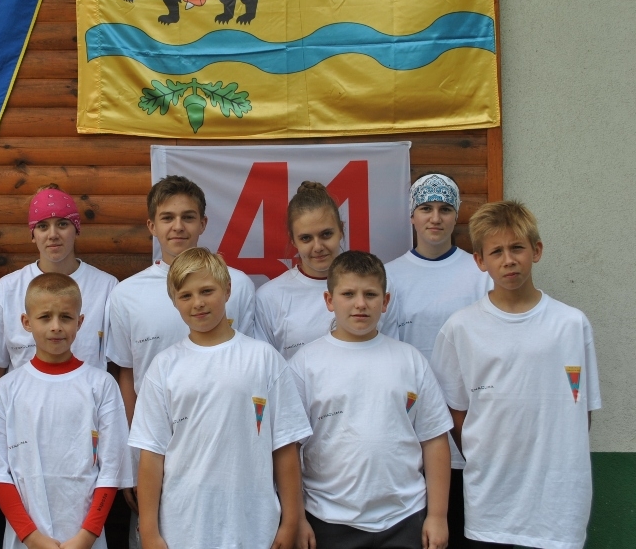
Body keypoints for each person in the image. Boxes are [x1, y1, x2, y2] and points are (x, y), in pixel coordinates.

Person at [430, 201, 601, 549]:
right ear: (480, 260)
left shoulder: (571, 324)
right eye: (496, 251)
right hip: (491, 505)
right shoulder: (460, 328)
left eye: (517, 248)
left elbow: (581, 411)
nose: (508, 260)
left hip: (559, 508)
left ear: (536, 251)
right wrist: (486, 455)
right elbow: (455, 413)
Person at [106, 175, 256, 544]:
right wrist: (134, 460)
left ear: (203, 223)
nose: (178, 226)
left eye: (188, 217)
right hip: (157, 454)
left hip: (228, 452)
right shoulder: (126, 295)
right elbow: (127, 377)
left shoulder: (238, 286)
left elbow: (253, 375)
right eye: (167, 217)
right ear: (151, 226)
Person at [129, 247, 311, 549]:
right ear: (174, 301)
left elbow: (285, 446)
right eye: (186, 295)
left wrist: (291, 520)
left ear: (227, 290)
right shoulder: (163, 367)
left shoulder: (264, 359)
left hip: (254, 528)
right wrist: (149, 531)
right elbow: (151, 455)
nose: (198, 303)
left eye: (207, 291)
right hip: (184, 530)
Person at [290, 250, 452, 549]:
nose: (360, 304)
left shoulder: (410, 360)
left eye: (370, 294)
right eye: (348, 294)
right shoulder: (305, 364)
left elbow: (435, 440)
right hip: (328, 519)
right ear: (329, 300)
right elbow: (290, 448)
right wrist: (297, 519)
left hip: (404, 518)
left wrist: (438, 516)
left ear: (385, 301)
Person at [0, 273, 131, 549]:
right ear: (26, 322)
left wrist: (87, 535)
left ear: (80, 322)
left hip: (86, 540)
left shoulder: (101, 385)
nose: (56, 327)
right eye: (45, 317)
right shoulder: (6, 389)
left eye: (65, 317)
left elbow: (112, 469)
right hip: (24, 540)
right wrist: (31, 536)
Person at [385, 174, 490, 548]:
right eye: (426, 208)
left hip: (470, 439)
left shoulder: (480, 274)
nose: (435, 218)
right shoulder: (389, 276)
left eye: (445, 209)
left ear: (457, 215)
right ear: (411, 216)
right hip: (411, 439)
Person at [0, 184, 118, 415]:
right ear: (33, 234)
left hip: (87, 417)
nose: (53, 234)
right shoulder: (5, 290)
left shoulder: (107, 287)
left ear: (77, 229)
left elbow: (116, 368)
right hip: (24, 418)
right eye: (43, 226)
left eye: (62, 224)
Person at [256, 181, 349, 359]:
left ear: (341, 230)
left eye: (326, 234)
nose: (318, 247)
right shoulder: (269, 298)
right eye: (306, 238)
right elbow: (266, 367)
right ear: (293, 240)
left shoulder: (372, 286)